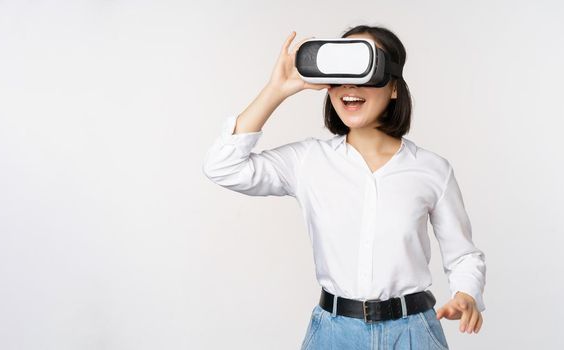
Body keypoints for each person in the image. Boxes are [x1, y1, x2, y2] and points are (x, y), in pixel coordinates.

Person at [203, 25, 487, 349]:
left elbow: (463, 255)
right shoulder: (308, 161)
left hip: (413, 334)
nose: (349, 85)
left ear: (393, 87)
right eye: (339, 74)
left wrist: (466, 294)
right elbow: (222, 166)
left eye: (363, 71)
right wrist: (277, 89)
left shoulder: (432, 170)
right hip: (333, 335)